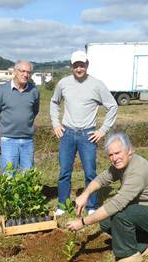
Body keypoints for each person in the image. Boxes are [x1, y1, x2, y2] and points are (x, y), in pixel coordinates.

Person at [66, 132, 148, 262]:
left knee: (120, 215)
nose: (114, 158)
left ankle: (129, 255)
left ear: (130, 150)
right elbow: (101, 179)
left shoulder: (137, 172)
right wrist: (85, 194)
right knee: (106, 222)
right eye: (111, 155)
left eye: (118, 153)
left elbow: (115, 204)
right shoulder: (121, 165)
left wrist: (83, 222)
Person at [50, 50, 118, 216]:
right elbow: (54, 103)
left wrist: (102, 130)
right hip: (67, 133)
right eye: (75, 65)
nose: (79, 68)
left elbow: (112, 106)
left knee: (90, 172)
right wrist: (56, 124)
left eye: (82, 65)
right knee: (64, 171)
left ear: (87, 65)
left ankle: (92, 205)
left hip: (87, 135)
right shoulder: (63, 83)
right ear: (71, 66)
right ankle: (63, 205)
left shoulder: (97, 84)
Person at [0, 60, 40, 173]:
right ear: (15, 72)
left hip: (27, 141)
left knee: (28, 177)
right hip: (8, 141)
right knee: (8, 177)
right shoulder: (2, 91)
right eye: (22, 71)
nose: (26, 75)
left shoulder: (34, 91)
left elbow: (34, 111)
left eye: (28, 72)